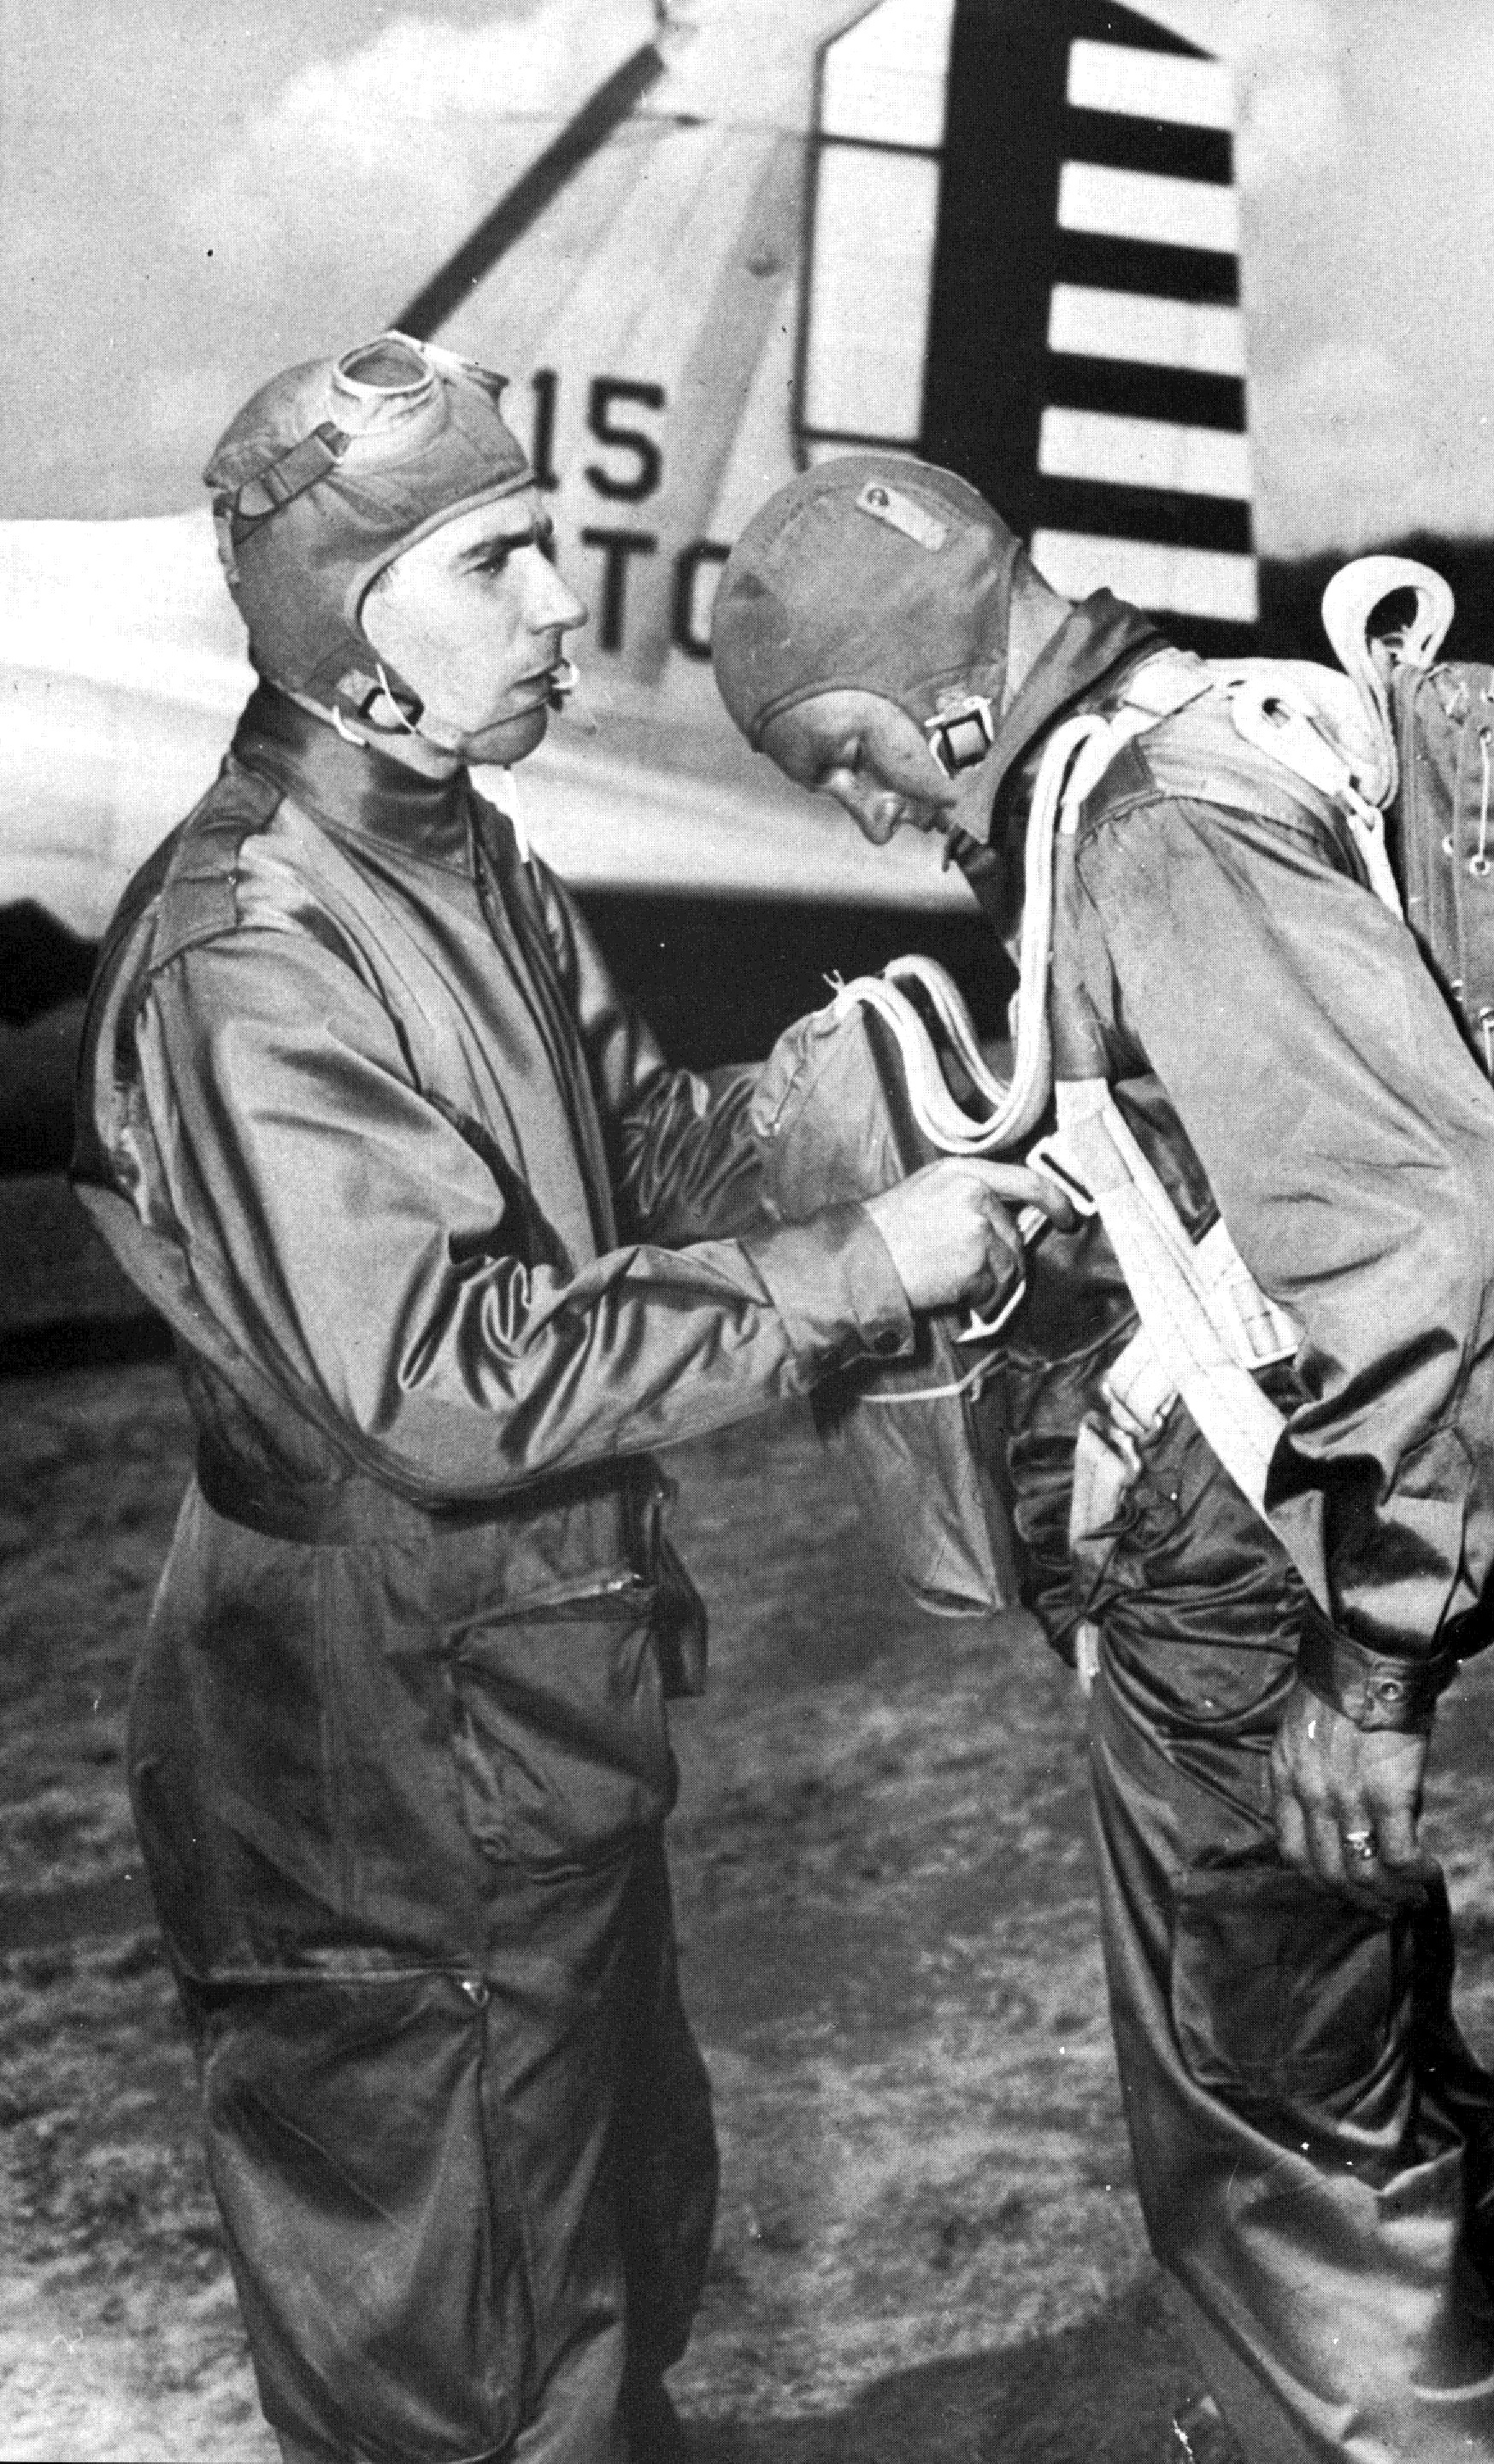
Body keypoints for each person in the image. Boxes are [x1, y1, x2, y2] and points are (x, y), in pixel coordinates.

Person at [69, 341, 1067, 2464]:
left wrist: (890, 1118)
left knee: (607, 2237)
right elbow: (441, 1376)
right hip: (369, 1750)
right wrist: (855, 1268)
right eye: (495, 562)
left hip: (519, 1712)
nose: (557, 605)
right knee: (476, 2352)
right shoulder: (252, 950)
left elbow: (649, 1153)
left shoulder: (467, 854)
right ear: (353, 635)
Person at [711, 456, 1494, 2464]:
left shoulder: (1156, 828)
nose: (866, 815)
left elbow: (1430, 1242)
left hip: (1256, 1589)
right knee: (1340, 2059)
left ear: (943, 686)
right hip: (1278, 1550)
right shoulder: (1164, 750)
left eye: (850, 758)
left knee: (1277, 2148)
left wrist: (1371, 1666)